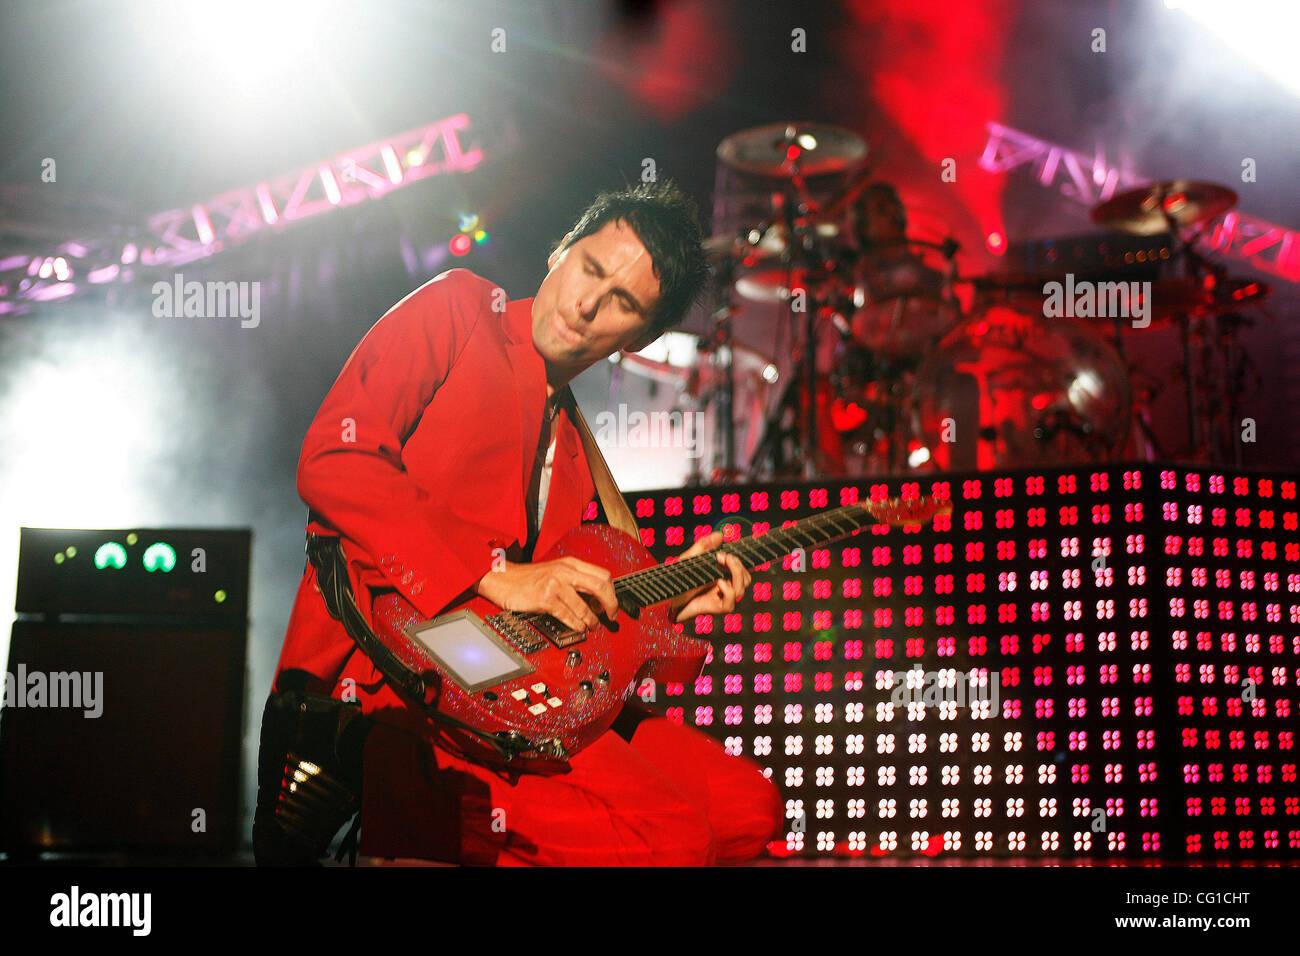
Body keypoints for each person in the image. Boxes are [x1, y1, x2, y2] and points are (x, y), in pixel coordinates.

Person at [261, 180, 784, 866]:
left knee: (750, 810)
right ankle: (410, 813)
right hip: (402, 669)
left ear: (644, 338)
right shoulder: (459, 307)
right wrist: (493, 574)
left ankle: (431, 832)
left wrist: (673, 601)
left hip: (508, 682)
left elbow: (561, 629)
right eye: (591, 268)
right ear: (560, 251)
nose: (589, 303)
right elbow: (335, 455)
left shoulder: (571, 445)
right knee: (672, 844)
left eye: (622, 301)